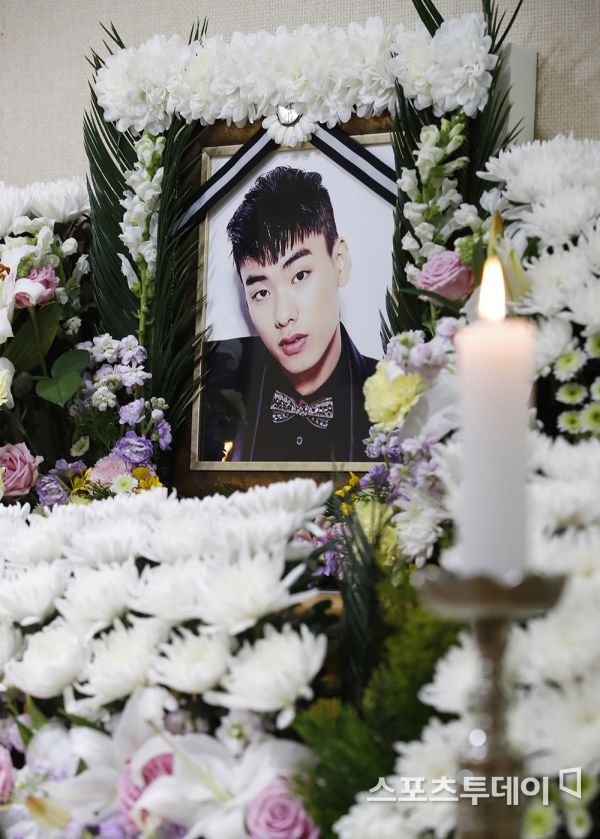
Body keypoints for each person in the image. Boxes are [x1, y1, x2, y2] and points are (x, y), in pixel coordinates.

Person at [204, 165, 377, 463]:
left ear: (339, 262)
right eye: (261, 293)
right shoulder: (213, 391)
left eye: (299, 276)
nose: (283, 315)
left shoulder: (397, 394)